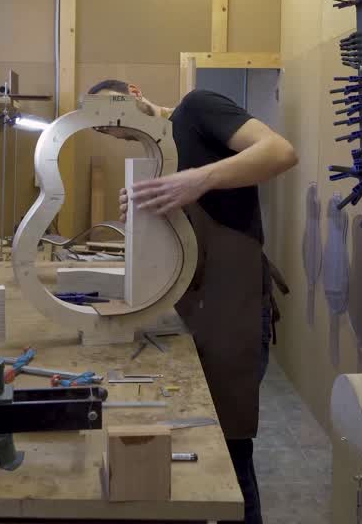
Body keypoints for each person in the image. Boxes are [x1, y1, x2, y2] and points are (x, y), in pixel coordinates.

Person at [87, 79, 296, 524]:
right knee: (206, 448)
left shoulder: (197, 110)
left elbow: (279, 152)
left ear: (134, 92)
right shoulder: (157, 152)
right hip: (197, 307)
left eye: (120, 114)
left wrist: (195, 180)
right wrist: (144, 209)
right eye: (111, 131)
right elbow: (183, 234)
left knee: (232, 451)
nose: (121, 130)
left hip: (233, 308)